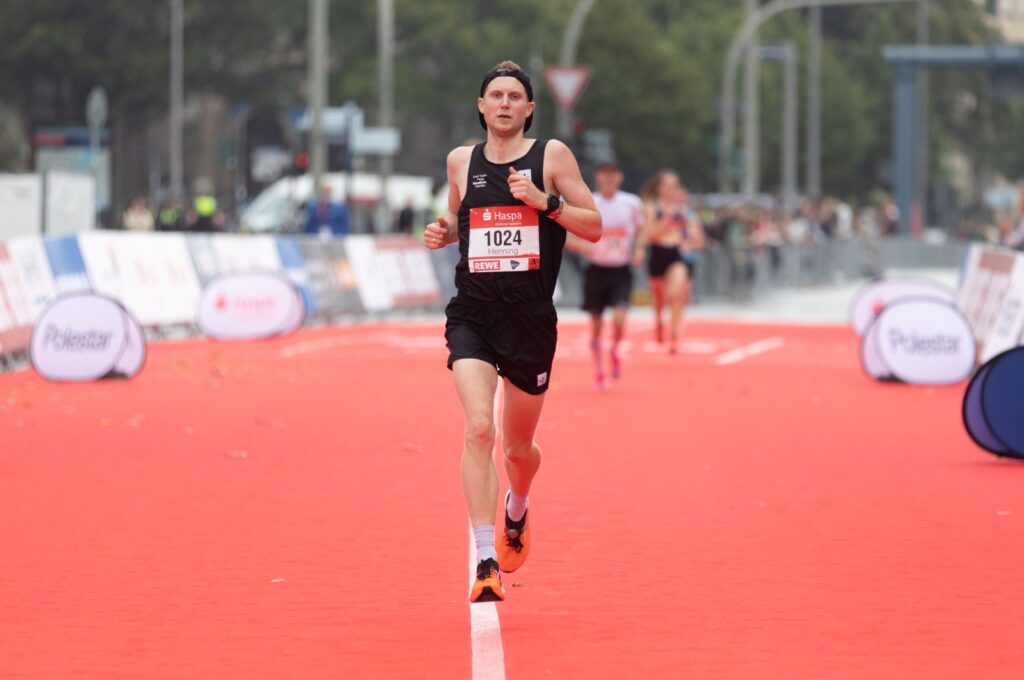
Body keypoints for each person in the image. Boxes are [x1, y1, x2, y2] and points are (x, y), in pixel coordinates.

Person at [423, 60, 601, 603]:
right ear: (481, 106)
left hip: (529, 319)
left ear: (528, 109)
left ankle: (516, 509)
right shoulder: (460, 161)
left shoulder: (551, 157)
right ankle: (483, 559)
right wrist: (443, 229)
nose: (503, 103)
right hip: (473, 312)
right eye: (494, 94)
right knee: (480, 430)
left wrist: (544, 202)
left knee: (518, 449)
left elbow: (594, 226)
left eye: (514, 96)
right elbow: (461, 219)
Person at [567, 161, 644, 391]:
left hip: (620, 270)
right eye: (605, 176)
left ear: (619, 178)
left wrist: (639, 249)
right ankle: (599, 369)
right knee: (596, 325)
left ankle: (615, 349)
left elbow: (641, 231)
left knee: (620, 320)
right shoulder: (590, 203)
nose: (609, 180)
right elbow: (568, 235)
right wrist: (583, 247)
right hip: (596, 270)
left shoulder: (631, 203)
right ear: (599, 178)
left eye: (613, 176)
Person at [642, 170, 704, 354]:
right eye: (668, 185)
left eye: (674, 185)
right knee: (659, 298)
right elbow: (647, 235)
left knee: (676, 294)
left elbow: (697, 239)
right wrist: (666, 220)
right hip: (657, 254)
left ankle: (675, 335)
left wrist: (691, 233)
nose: (671, 189)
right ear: (660, 188)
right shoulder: (652, 208)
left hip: (676, 255)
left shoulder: (684, 211)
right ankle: (659, 321)